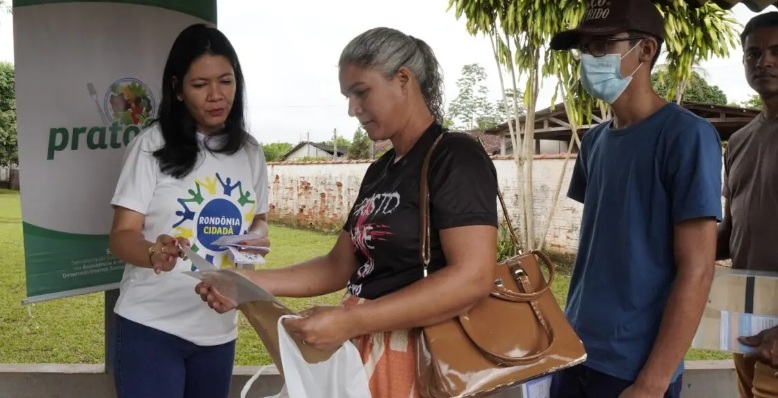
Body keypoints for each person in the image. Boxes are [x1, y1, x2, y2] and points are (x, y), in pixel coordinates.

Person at [196, 27, 498, 398]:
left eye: (361, 92)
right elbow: (338, 265)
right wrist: (243, 283)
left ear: (403, 80)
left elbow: (473, 277)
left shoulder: (455, 157)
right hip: (364, 351)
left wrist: (352, 320)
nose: (352, 109)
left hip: (420, 358)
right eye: (348, 96)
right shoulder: (381, 170)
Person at [548, 0, 722, 397]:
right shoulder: (594, 142)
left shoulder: (686, 136)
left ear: (645, 50)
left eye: (601, 45)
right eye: (583, 48)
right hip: (574, 352)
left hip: (632, 368)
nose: (588, 59)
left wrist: (652, 382)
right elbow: (603, 248)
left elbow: (697, 269)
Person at [108, 23, 270, 398]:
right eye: (200, 85)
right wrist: (153, 252)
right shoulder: (152, 145)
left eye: (226, 81)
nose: (216, 95)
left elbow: (259, 223)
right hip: (151, 326)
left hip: (218, 330)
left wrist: (250, 249)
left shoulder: (249, 152)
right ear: (178, 89)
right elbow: (121, 235)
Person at [717, 12, 778, 398]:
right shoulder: (738, 141)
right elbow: (732, 232)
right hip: (746, 320)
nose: (764, 62)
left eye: (776, 52)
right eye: (753, 54)